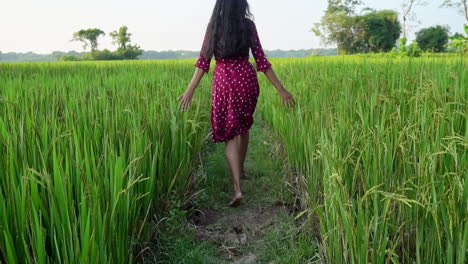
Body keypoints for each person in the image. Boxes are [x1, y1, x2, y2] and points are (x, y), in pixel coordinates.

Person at [177, 0, 295, 207]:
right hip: (246, 79)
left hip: (224, 80)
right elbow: (261, 60)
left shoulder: (215, 25)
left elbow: (203, 61)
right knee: (243, 126)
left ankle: (237, 188)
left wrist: (189, 91)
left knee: (230, 135)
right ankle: (241, 169)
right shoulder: (248, 25)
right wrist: (281, 89)